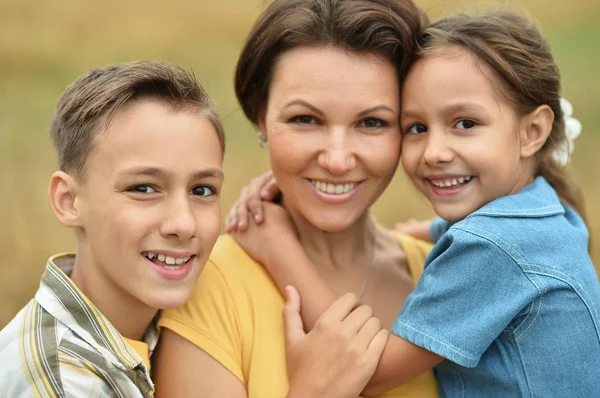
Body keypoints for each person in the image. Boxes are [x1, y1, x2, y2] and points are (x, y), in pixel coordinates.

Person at [227, 10, 600, 397]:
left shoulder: (493, 249)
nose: (435, 152)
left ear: (533, 131)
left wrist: (278, 248)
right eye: (417, 128)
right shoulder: (544, 214)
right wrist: (424, 231)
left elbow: (370, 369)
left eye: (465, 123)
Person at [153, 0, 439, 397]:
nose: (337, 161)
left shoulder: (439, 275)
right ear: (260, 116)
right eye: (305, 119)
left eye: (372, 122)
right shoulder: (207, 282)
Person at [0, 60, 227, 397]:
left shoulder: (156, 321)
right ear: (68, 201)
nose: (183, 223)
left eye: (201, 190)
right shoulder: (64, 383)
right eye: (144, 188)